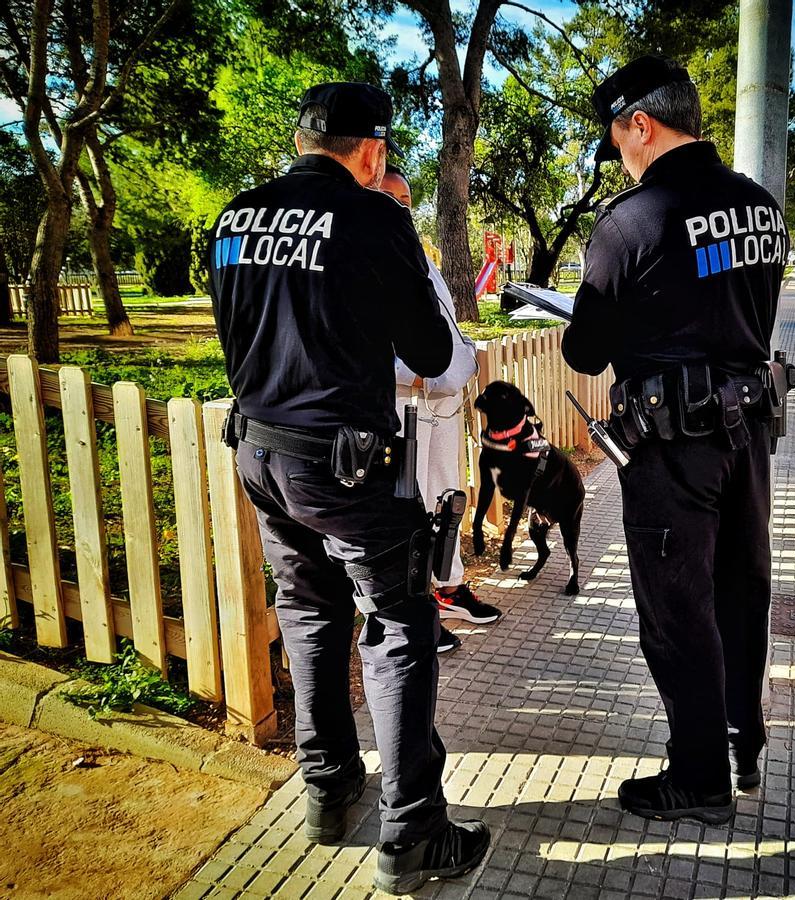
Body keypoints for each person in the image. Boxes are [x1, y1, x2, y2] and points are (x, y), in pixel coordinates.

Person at [207, 82, 489, 895]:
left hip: (259, 452)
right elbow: (433, 351)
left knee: (308, 615)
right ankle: (413, 834)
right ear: (372, 151)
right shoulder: (375, 216)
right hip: (346, 463)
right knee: (399, 627)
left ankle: (327, 794)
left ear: (301, 140)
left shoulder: (234, 218)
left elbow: (242, 332)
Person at [562, 56, 790, 824]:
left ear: (641, 124)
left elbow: (585, 352)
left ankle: (698, 778)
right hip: (749, 435)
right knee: (740, 589)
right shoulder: (760, 206)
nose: (620, 158)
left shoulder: (631, 222)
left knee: (677, 609)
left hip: (671, 450)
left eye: (619, 141)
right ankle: (742, 740)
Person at [377, 166, 502, 654]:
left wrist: (463, 356)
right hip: (405, 402)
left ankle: (448, 587)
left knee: (447, 499)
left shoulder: (417, 256)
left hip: (445, 402)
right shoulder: (364, 255)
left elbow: (444, 319)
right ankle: (418, 605)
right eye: (389, 198)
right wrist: (417, 376)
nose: (401, 208)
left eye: (407, 199)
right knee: (412, 506)